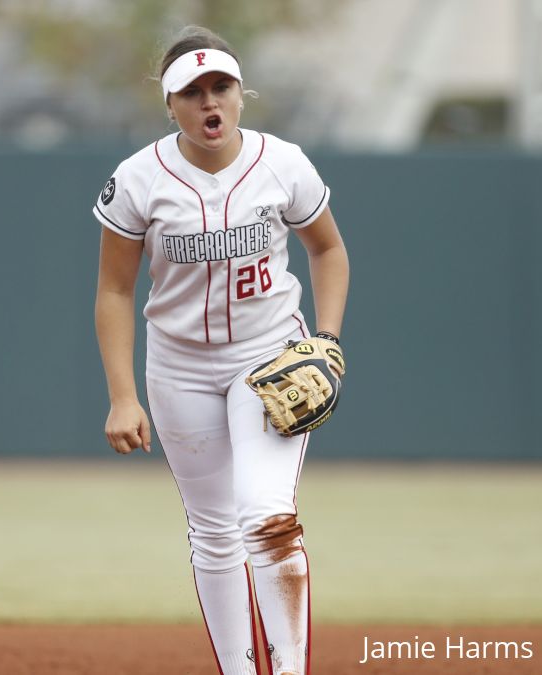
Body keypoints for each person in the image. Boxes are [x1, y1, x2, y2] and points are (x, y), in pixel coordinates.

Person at [93, 25, 349, 675]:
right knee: (212, 530)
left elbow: (328, 248)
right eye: (192, 91)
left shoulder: (283, 163)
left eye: (221, 87)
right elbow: (115, 291)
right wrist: (123, 395)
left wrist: (327, 338)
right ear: (170, 103)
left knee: (266, 513)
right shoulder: (138, 179)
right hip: (177, 366)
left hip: (268, 357)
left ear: (241, 93)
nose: (210, 101)